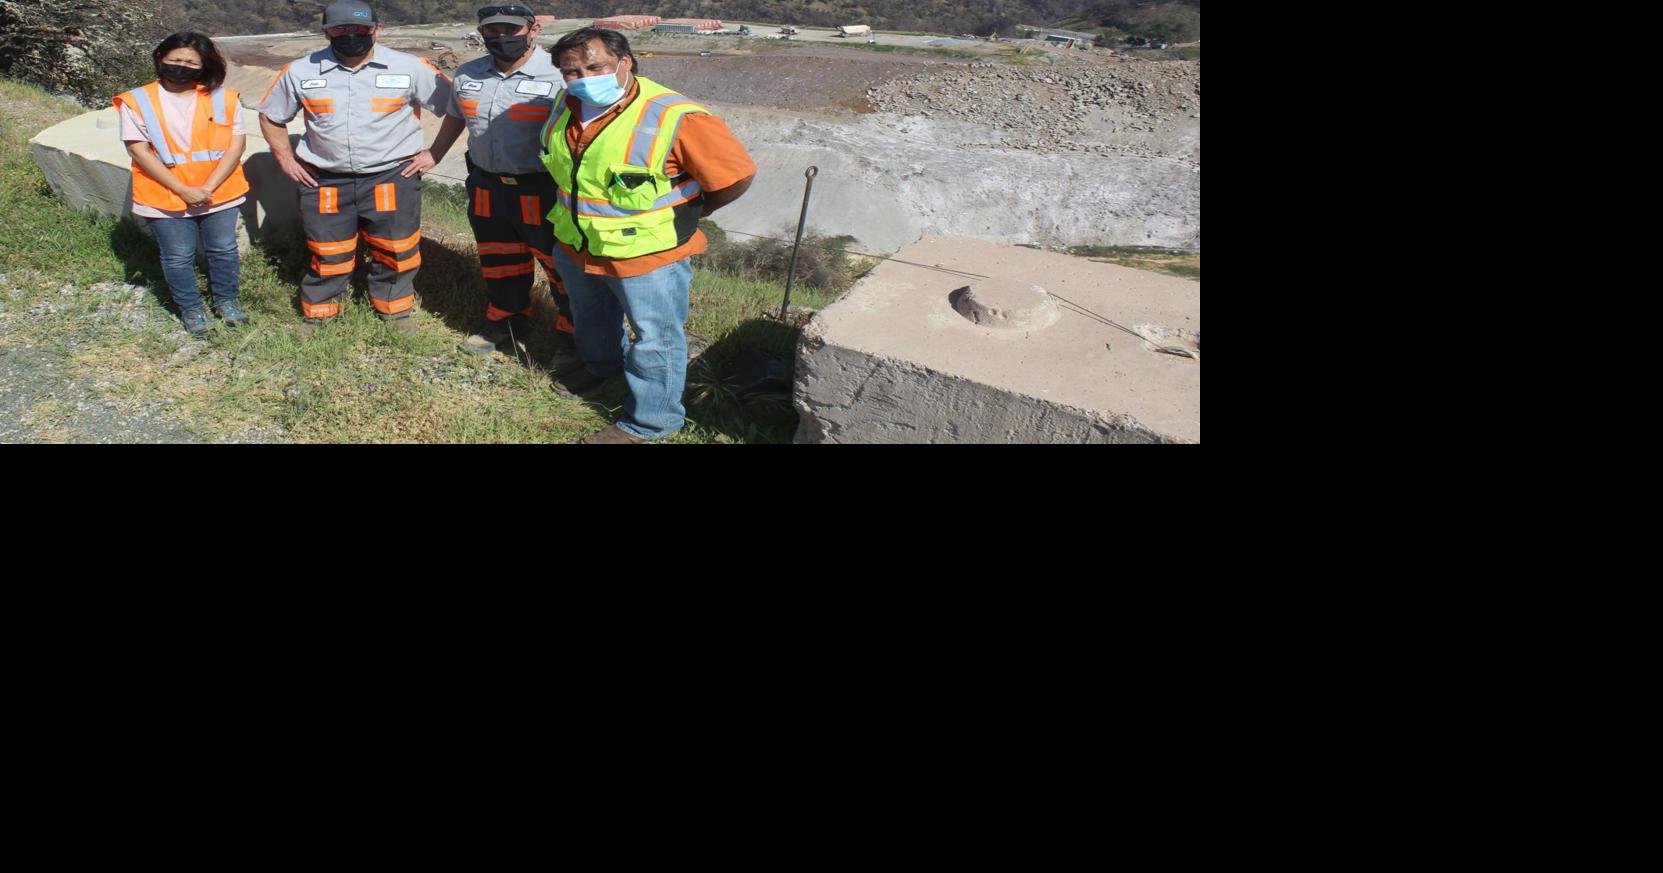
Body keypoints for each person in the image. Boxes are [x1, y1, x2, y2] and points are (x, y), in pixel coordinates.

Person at [540, 27, 756, 444]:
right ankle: (601, 367)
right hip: (578, 244)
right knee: (591, 318)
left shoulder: (676, 115)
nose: (583, 78)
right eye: (571, 71)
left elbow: (735, 176)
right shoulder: (565, 106)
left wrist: (693, 213)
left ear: (625, 63)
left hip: (648, 254)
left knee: (656, 339)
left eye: (594, 66)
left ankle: (651, 422)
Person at [258, 0, 452, 336]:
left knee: (396, 247)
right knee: (327, 248)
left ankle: (394, 310)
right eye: (339, 30)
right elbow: (271, 116)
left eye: (359, 29)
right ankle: (320, 312)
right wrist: (285, 159)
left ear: (377, 29)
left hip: (391, 176)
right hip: (325, 180)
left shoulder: (410, 67)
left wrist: (434, 153)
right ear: (326, 32)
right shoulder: (301, 71)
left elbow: (455, 107)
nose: (350, 36)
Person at [428, 4, 579, 370]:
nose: (500, 38)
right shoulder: (468, 74)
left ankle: (574, 338)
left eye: (510, 30)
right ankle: (505, 322)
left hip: (542, 188)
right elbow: (455, 117)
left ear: (533, 30)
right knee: (498, 259)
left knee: (561, 265)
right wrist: (432, 155)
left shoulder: (561, 75)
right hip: (487, 186)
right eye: (491, 31)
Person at [114, 31, 249, 336]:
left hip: (219, 192)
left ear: (204, 66)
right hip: (165, 194)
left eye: (191, 62)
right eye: (175, 60)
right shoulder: (136, 101)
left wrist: (208, 187)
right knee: (177, 256)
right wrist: (184, 190)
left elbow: (235, 146)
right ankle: (192, 309)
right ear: (160, 58)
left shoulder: (224, 98)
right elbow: (138, 150)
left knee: (223, 249)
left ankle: (226, 302)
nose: (182, 66)